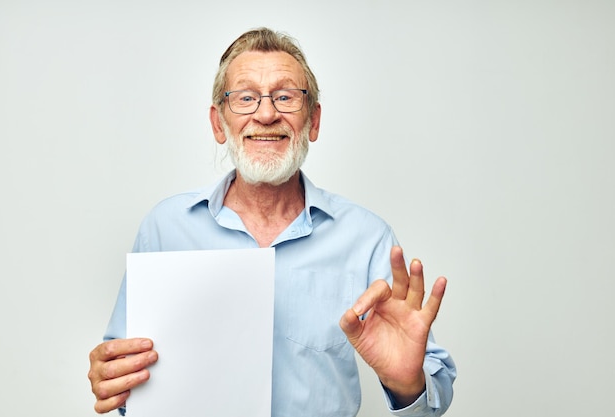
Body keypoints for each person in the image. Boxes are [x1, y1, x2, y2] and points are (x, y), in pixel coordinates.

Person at [88, 27, 456, 417]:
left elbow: (430, 393)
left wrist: (406, 384)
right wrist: (113, 378)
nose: (266, 114)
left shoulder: (367, 238)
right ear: (219, 124)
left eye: (285, 97)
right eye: (245, 98)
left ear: (313, 121)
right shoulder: (164, 227)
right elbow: (123, 377)